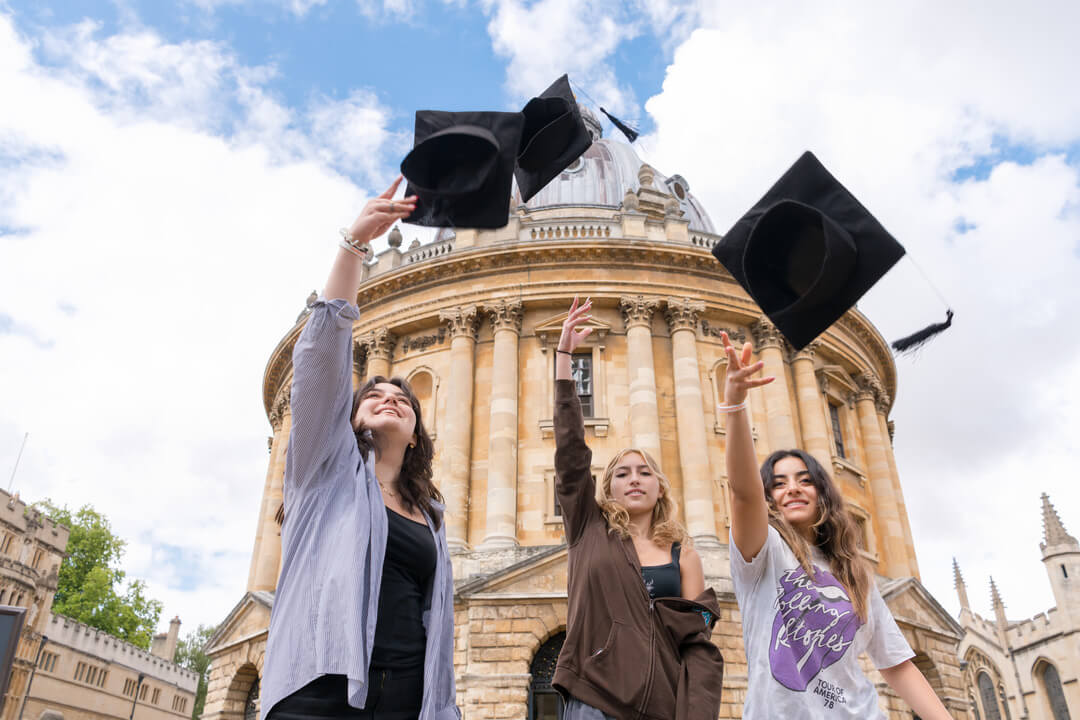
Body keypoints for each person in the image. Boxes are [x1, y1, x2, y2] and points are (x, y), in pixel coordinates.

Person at [262, 176, 460, 720]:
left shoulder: (431, 516)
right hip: (320, 688)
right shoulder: (322, 473)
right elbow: (323, 358)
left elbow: (433, 617)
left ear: (417, 431)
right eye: (373, 392)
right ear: (346, 418)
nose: (390, 396)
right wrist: (354, 246)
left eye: (403, 395)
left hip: (405, 698)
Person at [720, 331, 951, 719]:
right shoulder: (764, 553)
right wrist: (735, 406)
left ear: (822, 491)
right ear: (769, 498)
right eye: (778, 484)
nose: (792, 488)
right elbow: (743, 493)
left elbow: (896, 664)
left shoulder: (853, 573)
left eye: (804, 479)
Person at [552, 297, 725, 720]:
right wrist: (563, 361)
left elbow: (697, 646)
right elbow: (572, 455)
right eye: (623, 472)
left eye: (645, 473)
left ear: (660, 488)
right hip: (592, 699)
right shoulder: (588, 529)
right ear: (606, 486)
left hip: (663, 706)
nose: (634, 479)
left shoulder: (685, 555)